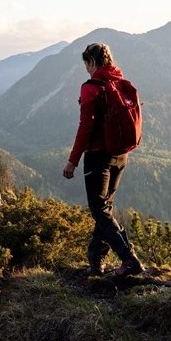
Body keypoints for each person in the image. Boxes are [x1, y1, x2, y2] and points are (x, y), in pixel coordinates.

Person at [62, 43, 144, 277]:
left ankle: (129, 258)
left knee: (99, 210)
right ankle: (97, 259)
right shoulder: (119, 81)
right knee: (104, 208)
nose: (86, 69)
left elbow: (85, 127)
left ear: (91, 62)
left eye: (86, 64)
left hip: (98, 155)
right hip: (120, 154)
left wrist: (72, 160)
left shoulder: (92, 87)